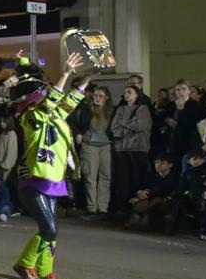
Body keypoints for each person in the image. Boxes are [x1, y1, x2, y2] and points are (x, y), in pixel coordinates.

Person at [11, 52, 91, 279]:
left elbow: (69, 100)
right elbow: (50, 104)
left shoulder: (53, 115)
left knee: (51, 231)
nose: (49, 97)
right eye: (44, 93)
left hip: (54, 180)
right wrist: (65, 73)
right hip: (34, 181)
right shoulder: (31, 117)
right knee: (49, 228)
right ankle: (25, 265)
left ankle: (45, 270)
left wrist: (87, 79)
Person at [110, 84, 152, 215]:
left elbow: (140, 126)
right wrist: (128, 127)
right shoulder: (120, 109)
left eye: (129, 92)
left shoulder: (143, 109)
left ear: (136, 95)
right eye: (125, 92)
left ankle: (136, 207)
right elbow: (114, 128)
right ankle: (123, 205)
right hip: (122, 149)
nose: (126, 94)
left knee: (136, 178)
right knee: (123, 179)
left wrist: (123, 125)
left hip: (138, 148)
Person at [73, 86, 114, 216]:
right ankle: (91, 206)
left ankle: (103, 206)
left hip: (106, 145)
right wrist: (78, 133)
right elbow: (73, 122)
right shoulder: (86, 110)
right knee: (90, 176)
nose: (97, 98)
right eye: (95, 95)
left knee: (105, 176)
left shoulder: (111, 111)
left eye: (100, 96)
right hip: (89, 144)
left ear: (106, 98)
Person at [126, 155, 179, 230]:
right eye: (157, 162)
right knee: (143, 200)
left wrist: (148, 192)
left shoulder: (175, 179)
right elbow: (140, 186)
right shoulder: (150, 175)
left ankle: (142, 217)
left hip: (162, 202)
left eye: (162, 163)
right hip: (148, 199)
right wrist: (139, 193)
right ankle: (135, 217)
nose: (158, 165)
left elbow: (165, 191)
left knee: (155, 200)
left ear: (170, 165)